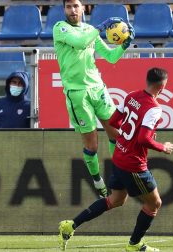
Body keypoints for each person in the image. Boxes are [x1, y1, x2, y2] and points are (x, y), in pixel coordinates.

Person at [58, 68, 173, 251]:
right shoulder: (154, 109)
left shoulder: (131, 96)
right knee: (154, 204)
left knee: (116, 199)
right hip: (134, 164)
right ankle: (134, 245)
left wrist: (127, 136)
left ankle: (70, 225)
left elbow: (113, 121)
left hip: (119, 157)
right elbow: (143, 139)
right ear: (162, 87)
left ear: (147, 81)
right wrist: (163, 147)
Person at [53, 0, 135, 198]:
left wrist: (124, 45)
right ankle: (98, 181)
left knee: (117, 133)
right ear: (64, 9)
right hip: (77, 93)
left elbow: (111, 57)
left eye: (76, 6)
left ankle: (118, 174)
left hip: (98, 89)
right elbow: (80, 42)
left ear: (83, 8)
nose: (72, 10)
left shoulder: (90, 30)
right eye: (68, 6)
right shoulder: (60, 28)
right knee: (92, 145)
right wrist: (100, 28)